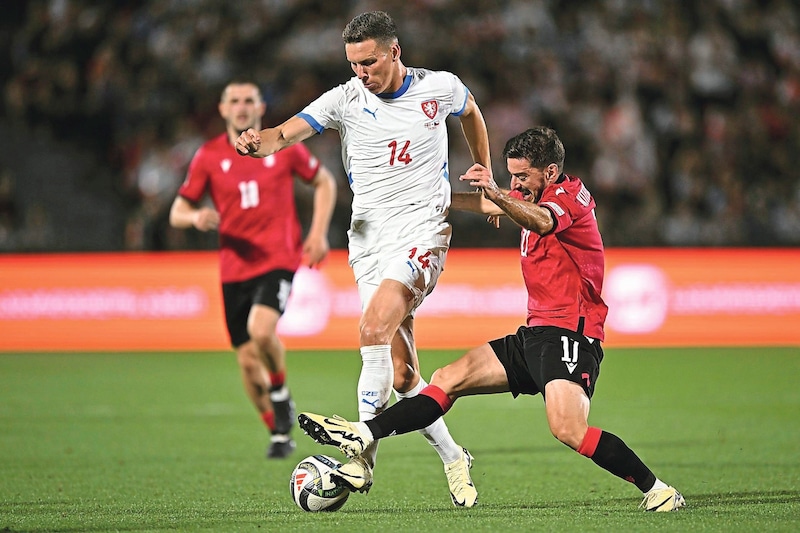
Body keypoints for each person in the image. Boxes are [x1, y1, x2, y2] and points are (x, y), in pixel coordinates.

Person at [297, 127, 686, 512]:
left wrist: (499, 193)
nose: (515, 183)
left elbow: (541, 221)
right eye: (511, 175)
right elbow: (492, 205)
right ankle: (362, 432)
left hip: (571, 333)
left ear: (550, 172)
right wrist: (436, 199)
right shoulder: (531, 195)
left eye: (522, 176)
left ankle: (658, 489)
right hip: (535, 333)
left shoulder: (570, 198)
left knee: (568, 429)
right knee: (447, 379)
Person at [235, 11, 490, 507]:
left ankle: (361, 461)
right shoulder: (345, 99)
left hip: (424, 229)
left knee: (373, 328)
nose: (361, 73)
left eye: (369, 62)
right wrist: (256, 143)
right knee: (401, 375)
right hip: (368, 240)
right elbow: (283, 135)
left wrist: (481, 164)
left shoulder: (439, 87)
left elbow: (472, 112)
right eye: (353, 63)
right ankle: (455, 457)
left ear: (395, 51)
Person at [169, 80, 337, 459]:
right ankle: (278, 432)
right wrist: (196, 217)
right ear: (223, 109)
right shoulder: (209, 156)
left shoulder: (281, 147)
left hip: (278, 260)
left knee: (261, 330)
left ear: (261, 107)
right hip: (233, 268)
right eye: (235, 101)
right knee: (247, 362)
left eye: (249, 100)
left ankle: (280, 394)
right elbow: (177, 211)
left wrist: (318, 233)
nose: (242, 107)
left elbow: (324, 181)